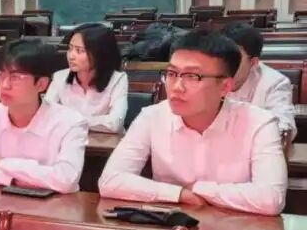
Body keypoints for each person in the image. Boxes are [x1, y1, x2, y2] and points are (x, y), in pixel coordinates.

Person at [99, 29, 286, 215]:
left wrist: (199, 189)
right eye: (172, 73)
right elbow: (110, 180)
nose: (177, 87)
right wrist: (179, 194)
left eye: (192, 77)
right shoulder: (152, 117)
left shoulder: (259, 124)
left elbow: (271, 199)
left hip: (237, 227)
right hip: (170, 225)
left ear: (225, 87)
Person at [0, 40, 87, 193]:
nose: (5, 85)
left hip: (52, 206)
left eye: (16, 77)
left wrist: (2, 163)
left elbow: (66, 180)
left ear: (41, 84)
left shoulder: (70, 122)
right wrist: (8, 178)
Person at [44, 24, 128, 134]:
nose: (71, 56)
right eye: (70, 49)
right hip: (69, 140)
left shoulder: (118, 79)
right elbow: (46, 115)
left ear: (99, 54)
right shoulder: (59, 77)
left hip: (107, 143)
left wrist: (70, 120)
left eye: (79, 51)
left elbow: (115, 123)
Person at [224, 23, 297, 139]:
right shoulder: (208, 74)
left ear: (253, 62)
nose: (226, 66)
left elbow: (283, 126)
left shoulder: (275, 83)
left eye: (234, 60)